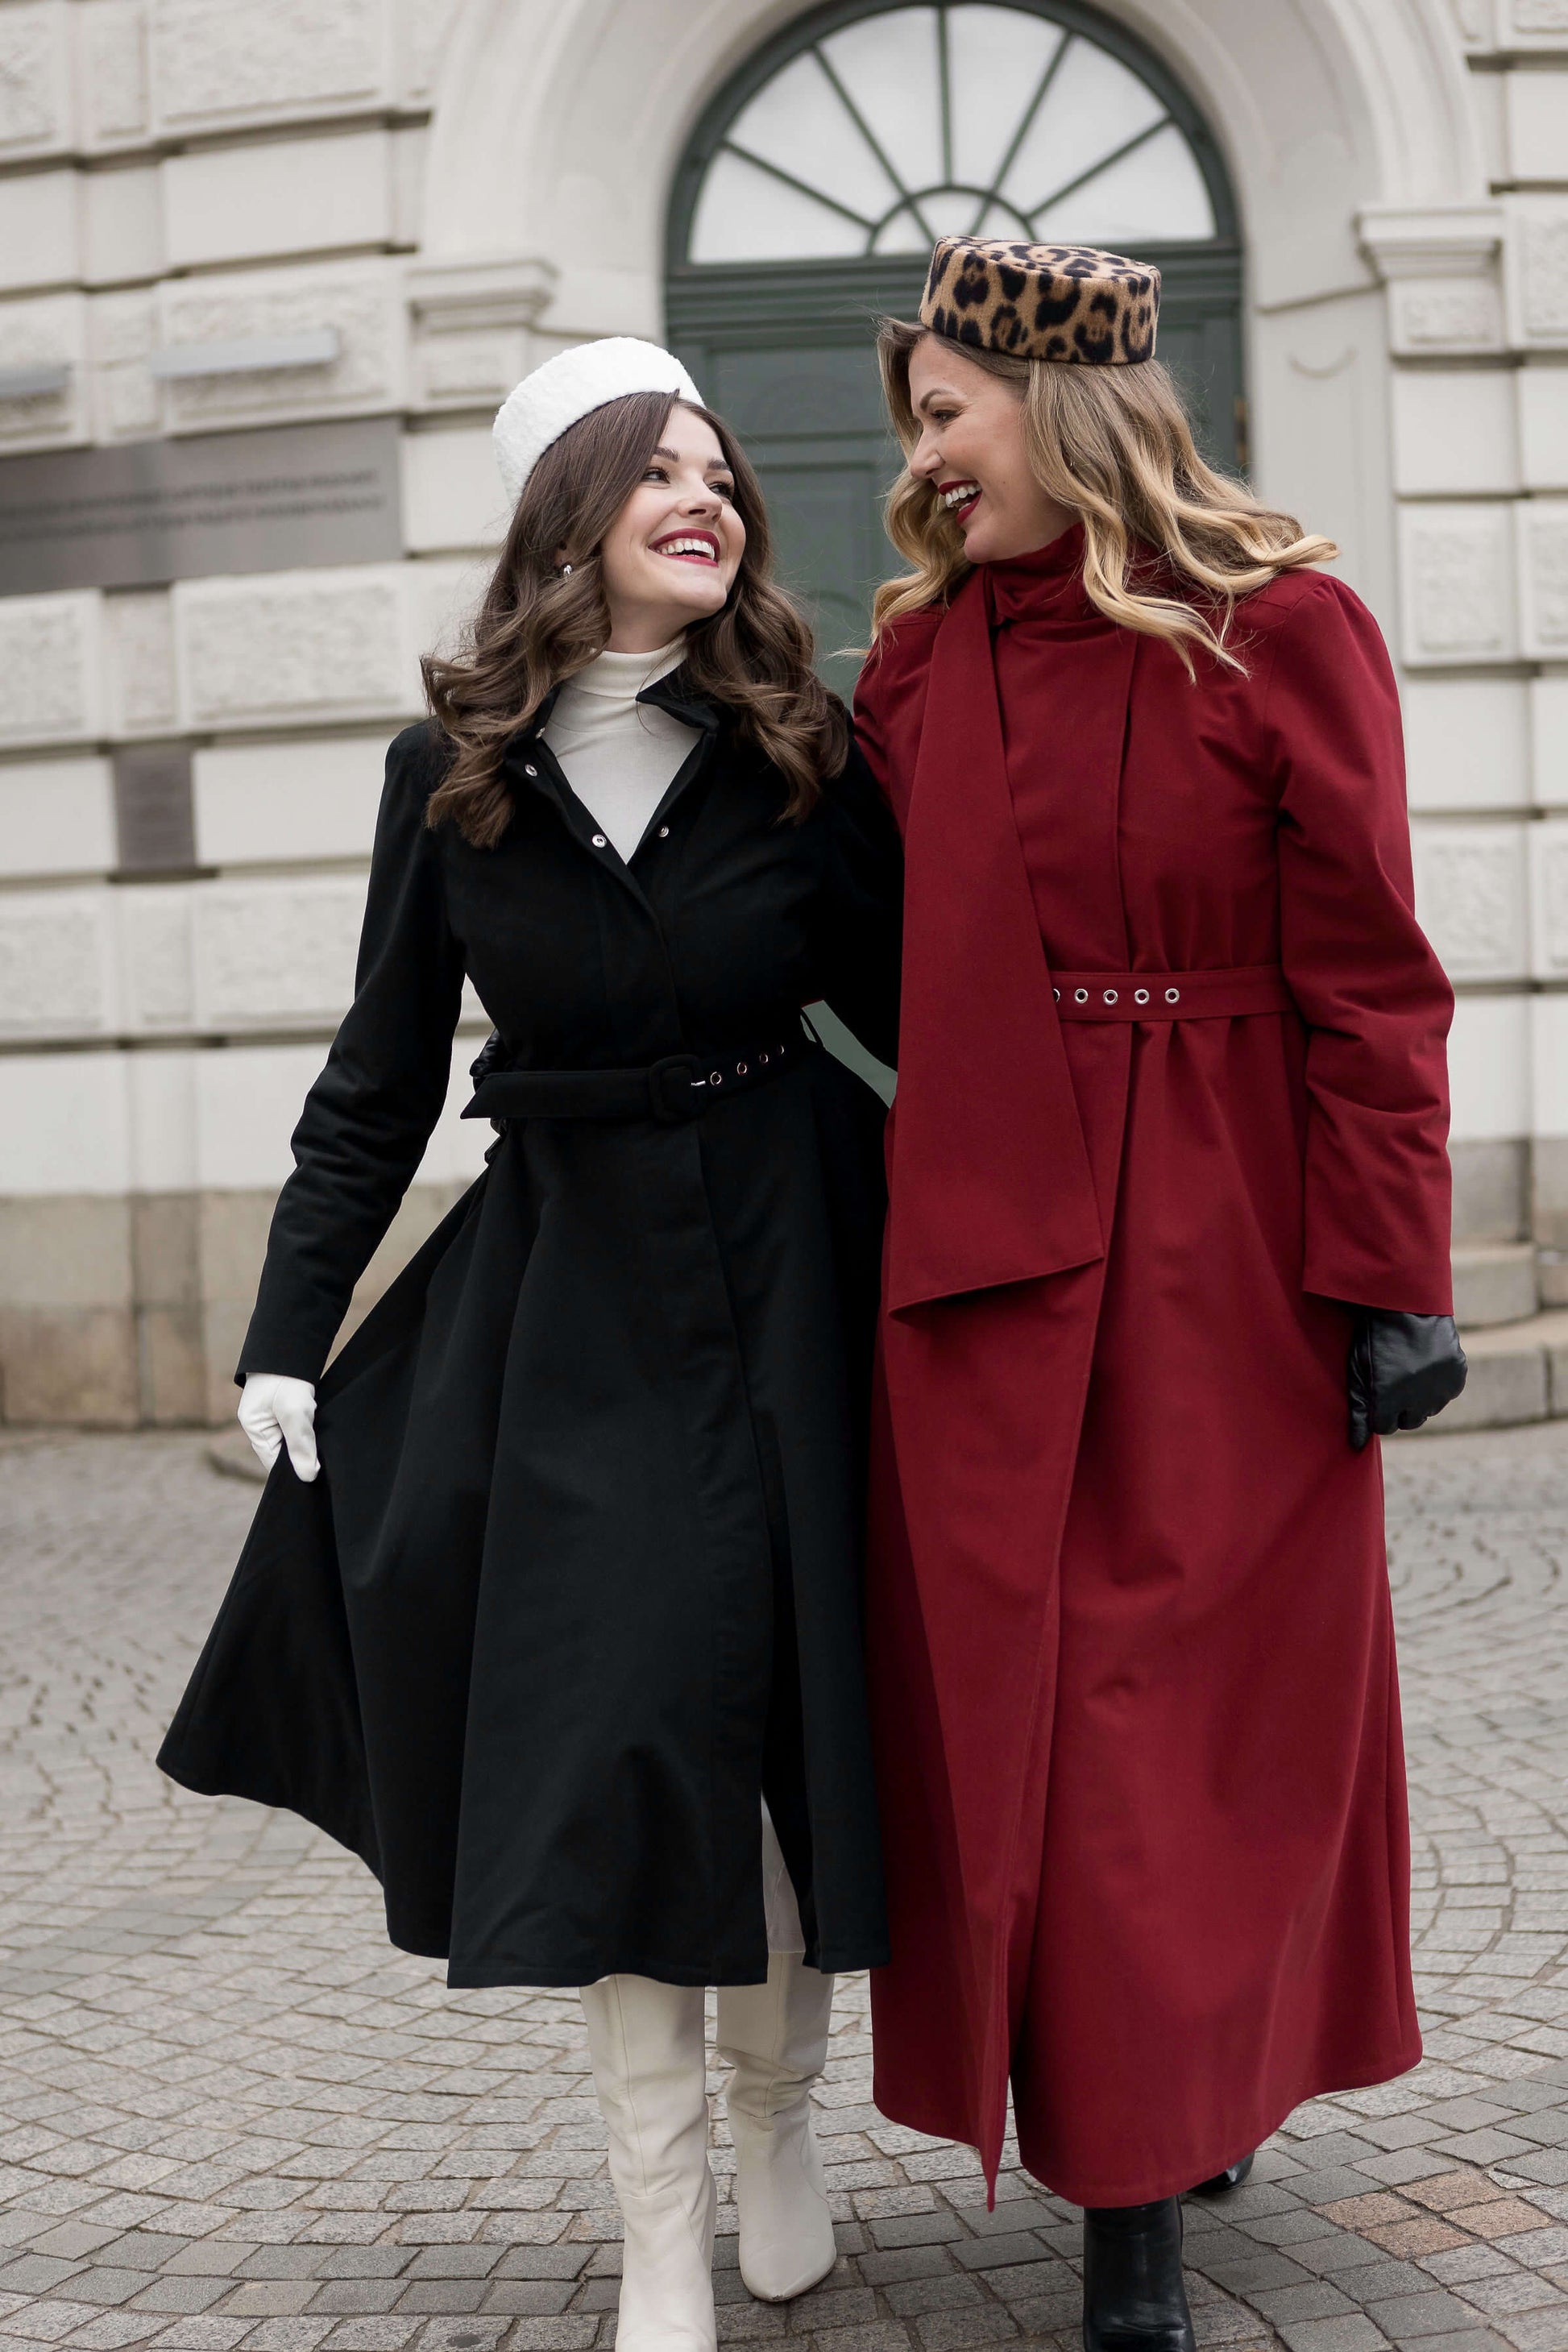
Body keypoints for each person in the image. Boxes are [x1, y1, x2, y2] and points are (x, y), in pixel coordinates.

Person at [158, 338, 902, 2352]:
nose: (707, 496)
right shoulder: (454, 774)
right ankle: (655, 2215)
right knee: (627, 1735)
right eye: (657, 469)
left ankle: (777, 2121)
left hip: (796, 1262)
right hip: (570, 1299)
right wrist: (289, 1332)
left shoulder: (803, 749)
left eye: (720, 472)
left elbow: (944, 1027)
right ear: (565, 513)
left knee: (787, 1736)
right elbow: (376, 1074)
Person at [852, 238, 1467, 2352]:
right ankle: (1125, 2179)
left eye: (946, 410)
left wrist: (1389, 1275)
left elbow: (1371, 977)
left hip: (1234, 1247)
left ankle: (1175, 2125)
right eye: (914, 422)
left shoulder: (1284, 626)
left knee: (1206, 1729)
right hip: (988, 1270)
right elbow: (817, 937)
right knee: (1053, 1721)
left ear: (1062, 402)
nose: (922, 462)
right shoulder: (915, 674)